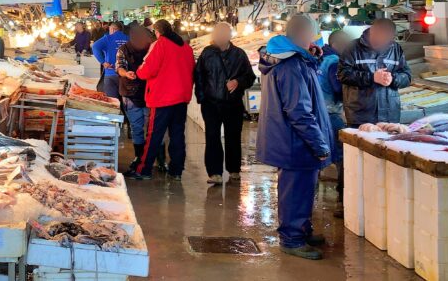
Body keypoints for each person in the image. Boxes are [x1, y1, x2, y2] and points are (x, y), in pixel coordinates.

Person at [256, 15, 335, 260]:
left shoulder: (290, 57)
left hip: (291, 140)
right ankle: (292, 239)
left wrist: (312, 57)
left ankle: (301, 229)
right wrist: (320, 144)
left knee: (302, 190)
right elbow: (299, 110)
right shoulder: (290, 65)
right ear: (305, 35)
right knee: (296, 192)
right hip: (296, 142)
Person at [130, 20, 195, 180]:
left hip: (163, 98)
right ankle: (176, 171)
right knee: (178, 135)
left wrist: (139, 70)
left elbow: (147, 71)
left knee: (154, 135)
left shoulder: (160, 44)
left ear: (158, 32)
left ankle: (143, 170)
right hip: (181, 98)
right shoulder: (186, 47)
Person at [194, 23, 257, 185]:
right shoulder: (207, 54)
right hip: (211, 104)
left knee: (233, 137)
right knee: (212, 136)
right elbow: (198, 76)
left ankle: (234, 169)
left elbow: (249, 77)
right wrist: (202, 97)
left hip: (233, 103)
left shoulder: (239, 54)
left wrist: (238, 82)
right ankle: (214, 172)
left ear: (229, 36)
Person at [338, 18, 412, 126]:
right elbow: (342, 74)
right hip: (360, 116)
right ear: (372, 31)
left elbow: (407, 76)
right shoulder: (352, 48)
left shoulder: (396, 49)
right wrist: (372, 77)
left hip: (389, 115)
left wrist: (393, 78)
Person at [318, 30, 353, 218]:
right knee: (342, 157)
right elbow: (338, 88)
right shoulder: (334, 62)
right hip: (331, 114)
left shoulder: (320, 57)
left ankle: (309, 200)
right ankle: (342, 200)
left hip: (317, 114)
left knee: (316, 157)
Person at [115, 26, 155, 170]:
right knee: (137, 127)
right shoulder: (123, 49)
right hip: (130, 93)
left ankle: (159, 159)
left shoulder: (152, 48)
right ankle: (139, 157)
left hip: (150, 92)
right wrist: (126, 73)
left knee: (154, 127)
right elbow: (119, 66)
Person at [92, 22, 129, 99]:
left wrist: (103, 62)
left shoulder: (107, 38)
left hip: (110, 73)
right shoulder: (128, 38)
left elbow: (95, 47)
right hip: (126, 74)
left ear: (112, 29)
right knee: (126, 102)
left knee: (113, 102)